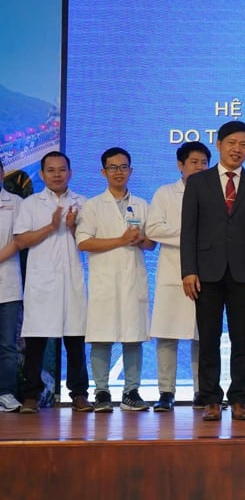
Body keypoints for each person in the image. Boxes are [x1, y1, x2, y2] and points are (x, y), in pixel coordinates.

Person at [180, 121, 245, 421]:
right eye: (231, 143)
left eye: (243, 144)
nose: (237, 149)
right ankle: (209, 399)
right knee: (208, 338)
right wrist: (188, 271)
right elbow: (188, 231)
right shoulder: (198, 182)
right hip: (206, 271)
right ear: (218, 144)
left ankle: (240, 399)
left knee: (242, 339)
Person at [76, 147, 155, 412]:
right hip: (104, 281)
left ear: (131, 171)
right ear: (103, 172)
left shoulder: (142, 204)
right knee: (101, 337)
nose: (119, 172)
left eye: (123, 167)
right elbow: (84, 241)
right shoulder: (92, 205)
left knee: (133, 336)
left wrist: (139, 239)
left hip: (132, 278)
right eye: (113, 167)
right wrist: (120, 240)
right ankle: (101, 392)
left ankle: (131, 391)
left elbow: (151, 244)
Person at [14, 151, 91, 413]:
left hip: (72, 281)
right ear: (43, 174)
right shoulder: (31, 204)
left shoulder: (83, 202)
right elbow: (21, 241)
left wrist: (71, 227)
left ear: (70, 172)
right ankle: (31, 397)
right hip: (42, 282)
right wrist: (50, 226)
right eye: (51, 170)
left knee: (75, 341)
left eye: (62, 169)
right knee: (36, 343)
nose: (57, 174)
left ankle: (79, 394)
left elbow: (88, 243)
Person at [146, 141, 210, 411]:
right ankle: (166, 392)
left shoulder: (213, 192)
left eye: (204, 163)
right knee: (167, 335)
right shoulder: (165, 193)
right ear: (180, 165)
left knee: (202, 336)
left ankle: (202, 391)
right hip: (173, 274)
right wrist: (191, 236)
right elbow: (153, 229)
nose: (199, 167)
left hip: (207, 273)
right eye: (193, 162)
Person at [0, 157, 23, 412]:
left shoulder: (16, 203)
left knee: (7, 343)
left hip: (7, 283)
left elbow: (19, 239)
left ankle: (5, 393)